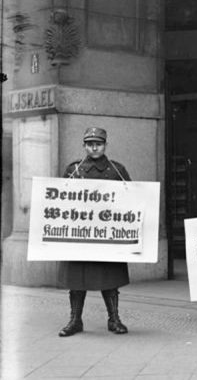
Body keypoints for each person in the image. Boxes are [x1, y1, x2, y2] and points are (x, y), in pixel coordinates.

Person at [58, 127, 131, 337]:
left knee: (108, 278)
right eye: (90, 144)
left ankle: (114, 319)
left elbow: (132, 199)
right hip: (80, 235)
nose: (94, 147)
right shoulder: (74, 170)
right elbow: (60, 200)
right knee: (77, 279)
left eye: (98, 143)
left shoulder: (116, 170)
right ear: (84, 146)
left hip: (107, 235)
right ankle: (75, 320)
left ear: (105, 145)